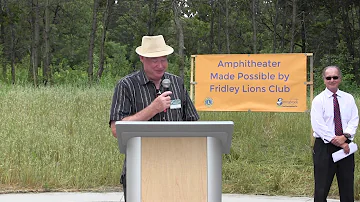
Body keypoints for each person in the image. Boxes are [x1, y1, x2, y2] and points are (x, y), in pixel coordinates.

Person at [109, 35, 199, 201]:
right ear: (142, 58)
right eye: (154, 61)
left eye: (164, 59)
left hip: (177, 167)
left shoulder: (177, 83)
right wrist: (153, 109)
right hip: (140, 167)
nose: (160, 65)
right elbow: (116, 129)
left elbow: (193, 123)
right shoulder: (126, 86)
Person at [310, 65, 359, 202]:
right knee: (321, 187)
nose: (332, 80)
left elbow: (354, 120)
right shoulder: (318, 101)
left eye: (335, 77)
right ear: (324, 79)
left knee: (347, 186)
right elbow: (319, 125)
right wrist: (337, 141)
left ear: (340, 79)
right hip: (324, 147)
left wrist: (345, 137)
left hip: (346, 147)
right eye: (328, 77)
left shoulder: (348, 98)